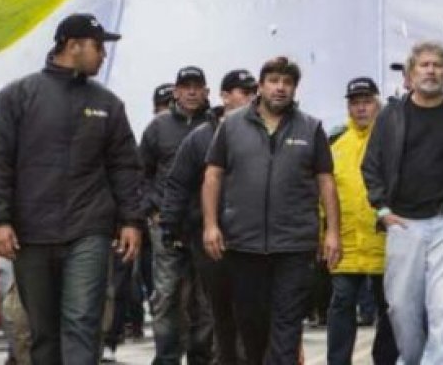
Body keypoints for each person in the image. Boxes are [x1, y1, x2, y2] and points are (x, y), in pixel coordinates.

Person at [0, 13, 142, 365]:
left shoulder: (108, 105)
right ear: (72, 46)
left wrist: (131, 220)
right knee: (43, 331)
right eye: (98, 47)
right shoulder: (16, 96)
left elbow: (125, 167)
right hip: (30, 232)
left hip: (89, 231)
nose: (103, 55)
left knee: (82, 322)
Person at [362, 41, 443, 364]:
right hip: (403, 222)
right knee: (401, 306)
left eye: (438, 65)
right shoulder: (392, 116)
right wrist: (382, 209)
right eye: (424, 65)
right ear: (410, 73)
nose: (431, 70)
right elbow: (371, 166)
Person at [202, 57, 341, 364]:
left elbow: (326, 181)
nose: (281, 88)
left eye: (287, 82)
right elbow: (213, 175)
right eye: (274, 81)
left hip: (294, 246)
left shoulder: (311, 127)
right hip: (243, 244)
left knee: (287, 325)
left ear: (294, 89)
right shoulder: (232, 126)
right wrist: (211, 225)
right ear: (261, 86)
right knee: (251, 325)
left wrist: (332, 232)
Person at [160, 68, 258, 365]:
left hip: (251, 236)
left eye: (254, 91)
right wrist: (170, 226)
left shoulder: (263, 134)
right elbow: (177, 182)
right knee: (210, 307)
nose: (252, 97)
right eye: (245, 92)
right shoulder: (201, 137)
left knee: (249, 306)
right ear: (225, 96)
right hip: (207, 235)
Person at [140, 66, 215, 365]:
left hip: (205, 227)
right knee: (167, 296)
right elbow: (139, 173)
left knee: (205, 299)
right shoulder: (158, 128)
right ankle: (167, 358)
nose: (192, 92)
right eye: (186, 86)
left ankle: (201, 357)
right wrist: (151, 209)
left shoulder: (216, 127)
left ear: (207, 91)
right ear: (176, 91)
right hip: (165, 226)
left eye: (198, 86)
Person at [325, 77, 398, 365]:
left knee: (389, 308)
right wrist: (325, 233)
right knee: (341, 304)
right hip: (346, 243)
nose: (361, 109)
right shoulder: (336, 145)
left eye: (366, 102)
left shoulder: (392, 141)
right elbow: (324, 193)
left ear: (377, 103)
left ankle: (386, 360)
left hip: (386, 239)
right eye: (355, 103)